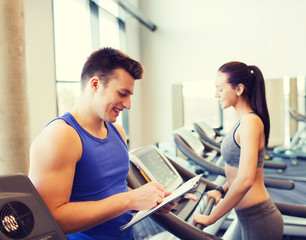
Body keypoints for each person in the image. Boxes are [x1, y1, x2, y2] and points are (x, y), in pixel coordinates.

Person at [28, 47, 173, 240]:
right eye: (122, 93)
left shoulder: (117, 131)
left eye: (130, 95)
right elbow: (50, 219)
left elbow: (112, 190)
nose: (128, 104)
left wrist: (147, 201)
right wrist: (130, 199)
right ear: (95, 84)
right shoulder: (61, 136)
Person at [193, 62, 283, 240]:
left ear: (239, 89)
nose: (216, 94)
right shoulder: (241, 120)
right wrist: (221, 189)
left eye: (220, 88)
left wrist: (212, 217)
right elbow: (238, 171)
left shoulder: (250, 122)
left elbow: (246, 179)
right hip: (246, 217)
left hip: (259, 219)